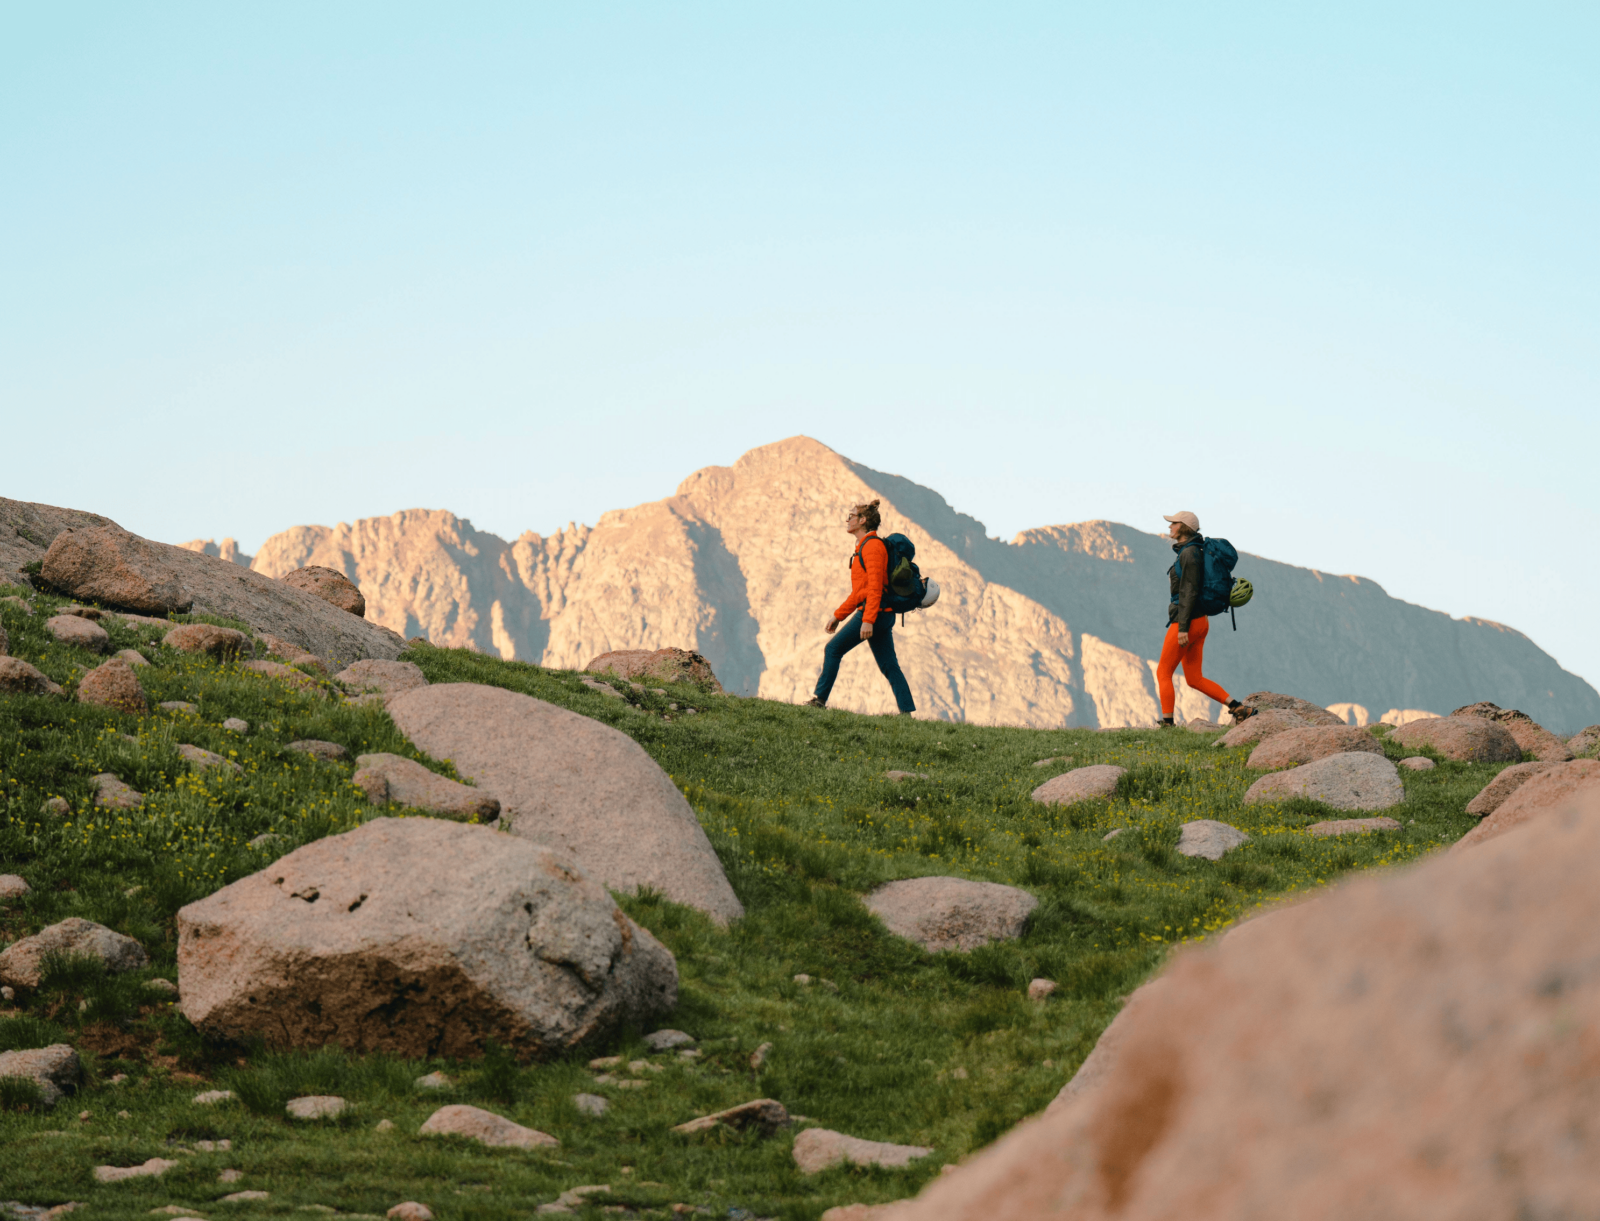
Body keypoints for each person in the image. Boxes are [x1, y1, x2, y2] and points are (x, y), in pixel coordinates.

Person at [805, 499, 917, 715]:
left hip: (874, 613)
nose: (847, 520)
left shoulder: (872, 546)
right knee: (889, 665)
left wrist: (867, 620)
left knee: (833, 649)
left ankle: (819, 700)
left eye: (851, 516)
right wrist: (838, 616)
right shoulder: (863, 547)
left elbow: (875, 587)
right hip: (880, 613)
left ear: (863, 520)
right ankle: (906, 713)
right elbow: (860, 592)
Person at [1158, 510, 1255, 727]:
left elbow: (1189, 591)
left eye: (1174, 523)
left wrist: (1183, 628)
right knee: (1194, 678)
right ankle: (1238, 708)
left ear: (1184, 527)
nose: (1170, 527)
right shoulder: (1196, 550)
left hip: (1187, 622)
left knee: (1163, 672)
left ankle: (1167, 724)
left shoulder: (1189, 554)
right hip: (1200, 622)